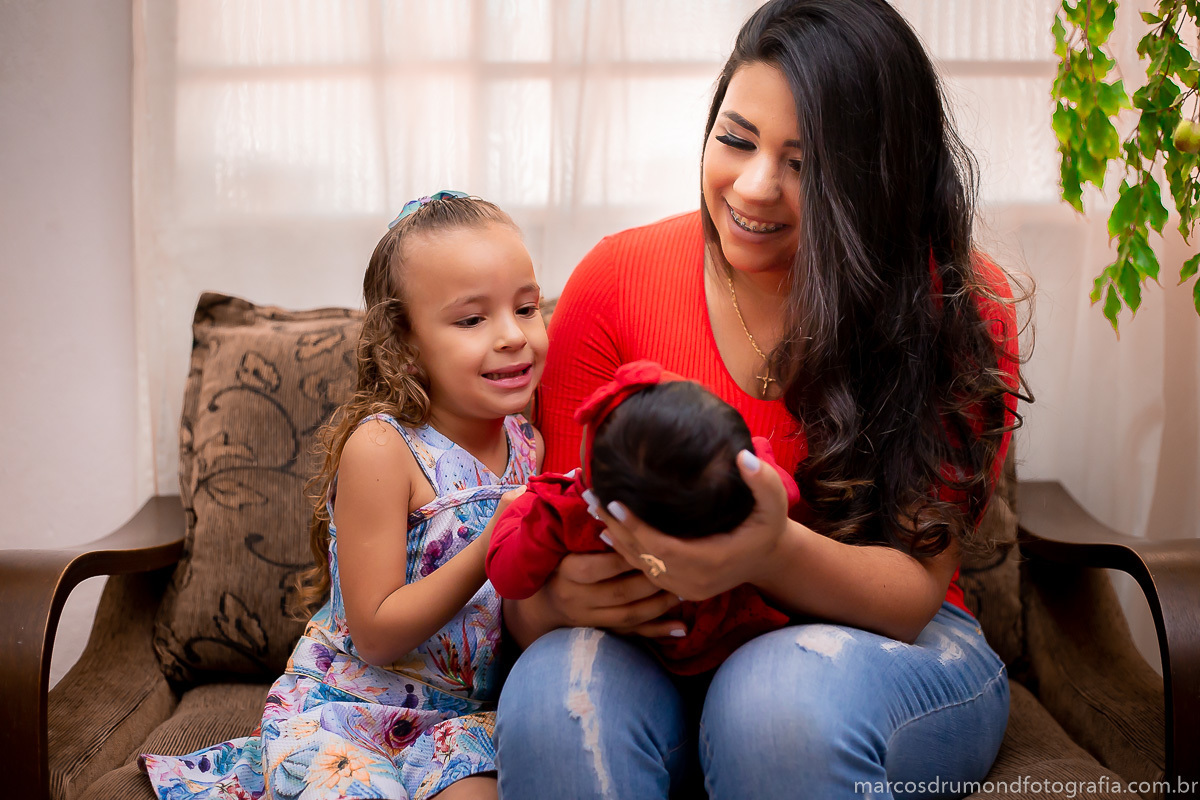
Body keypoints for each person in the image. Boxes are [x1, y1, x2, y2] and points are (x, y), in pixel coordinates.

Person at [494, 1, 1025, 798]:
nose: (753, 186)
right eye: (735, 140)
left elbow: (914, 594)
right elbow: (558, 524)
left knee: (771, 708)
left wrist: (771, 552)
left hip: (884, 647)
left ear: (876, 179)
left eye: (805, 164)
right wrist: (546, 607)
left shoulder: (954, 301)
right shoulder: (613, 282)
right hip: (657, 647)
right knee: (551, 702)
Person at [140, 192, 548, 800]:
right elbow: (378, 632)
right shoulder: (383, 450)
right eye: (472, 319)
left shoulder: (528, 443)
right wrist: (496, 538)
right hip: (346, 714)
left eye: (526, 307)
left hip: (457, 723)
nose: (513, 336)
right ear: (406, 346)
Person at [486, 359, 801, 675]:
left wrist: (522, 512)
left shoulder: (568, 514)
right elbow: (786, 491)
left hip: (626, 656)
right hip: (731, 644)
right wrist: (755, 470)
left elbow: (507, 576)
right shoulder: (731, 492)